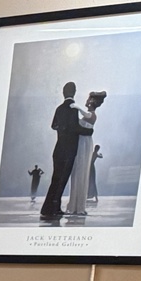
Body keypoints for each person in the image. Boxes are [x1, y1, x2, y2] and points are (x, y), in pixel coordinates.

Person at [40, 81, 81, 221]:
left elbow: (54, 126)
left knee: (55, 179)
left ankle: (48, 208)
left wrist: (61, 128)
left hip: (58, 149)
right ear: (74, 92)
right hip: (69, 150)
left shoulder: (59, 108)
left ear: (64, 92)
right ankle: (53, 208)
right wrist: (88, 130)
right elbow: (75, 128)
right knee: (62, 180)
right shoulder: (74, 108)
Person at [67, 92, 106, 219]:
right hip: (81, 144)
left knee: (81, 172)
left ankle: (78, 206)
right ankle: (75, 205)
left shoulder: (92, 115)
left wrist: (76, 107)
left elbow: (85, 114)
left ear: (92, 102)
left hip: (84, 145)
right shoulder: (89, 115)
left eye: (89, 99)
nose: (87, 100)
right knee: (77, 173)